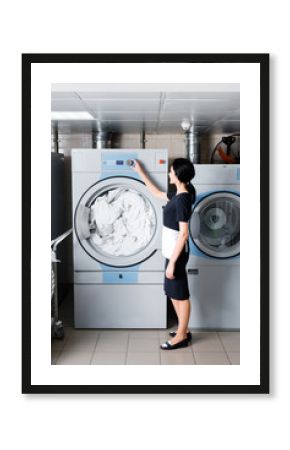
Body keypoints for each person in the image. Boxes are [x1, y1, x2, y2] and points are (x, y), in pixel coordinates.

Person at [131, 157, 195, 350]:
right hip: (170, 252)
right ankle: (183, 329)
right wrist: (140, 172)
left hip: (176, 255)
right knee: (173, 293)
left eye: (171, 171)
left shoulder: (183, 200)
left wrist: (173, 263)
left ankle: (182, 335)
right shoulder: (179, 194)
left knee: (180, 295)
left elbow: (184, 234)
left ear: (178, 175)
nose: (169, 174)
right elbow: (157, 193)